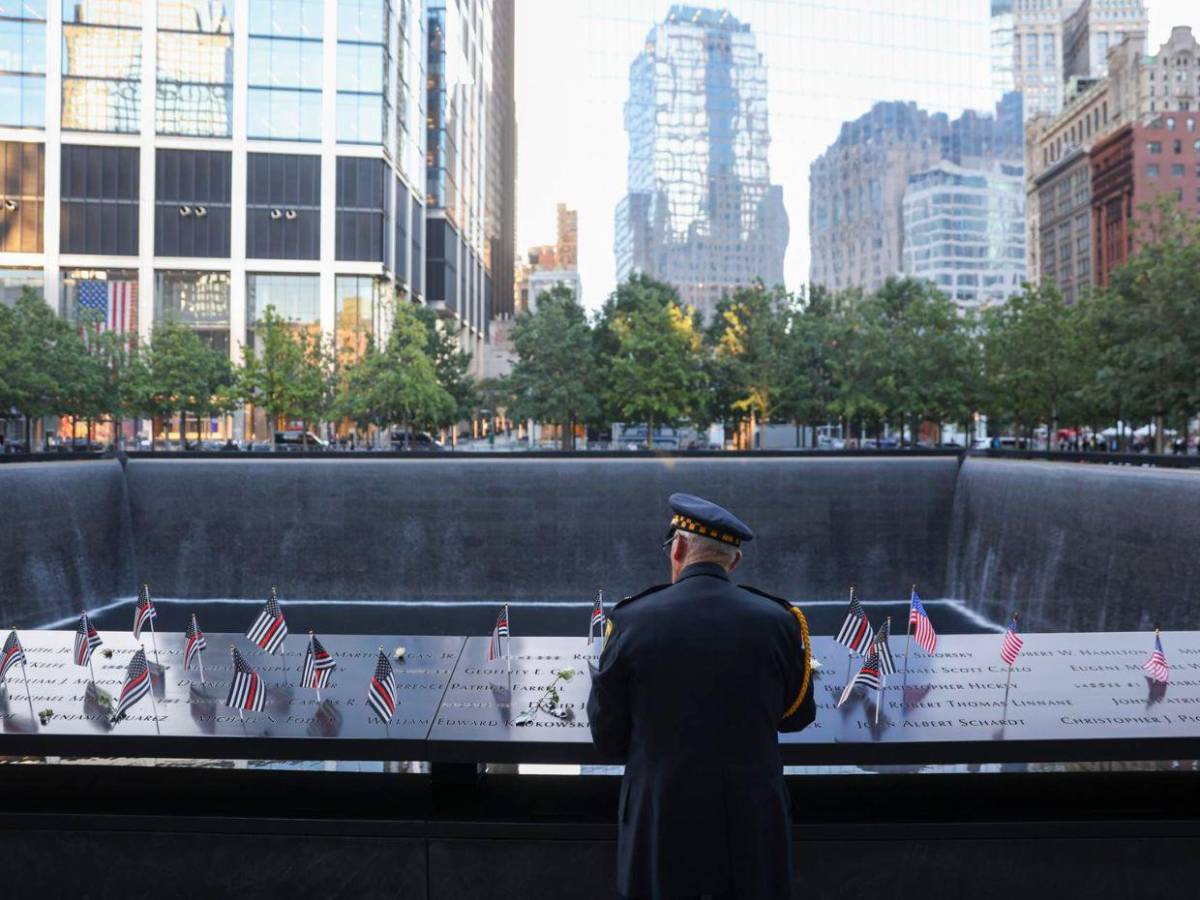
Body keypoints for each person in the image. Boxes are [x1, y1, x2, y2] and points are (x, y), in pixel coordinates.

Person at [587, 493, 816, 900]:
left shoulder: (630, 619)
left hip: (661, 816)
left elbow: (608, 739)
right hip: (751, 814)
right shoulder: (780, 621)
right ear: (734, 561)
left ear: (677, 547)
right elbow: (796, 717)